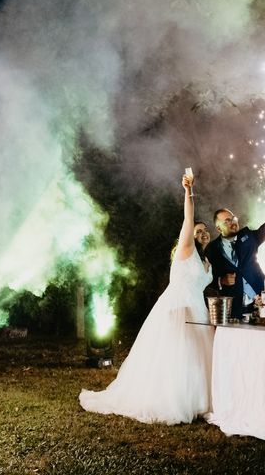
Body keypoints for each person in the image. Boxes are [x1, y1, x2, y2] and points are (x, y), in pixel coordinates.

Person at [79, 171, 214, 424]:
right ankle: (175, 401)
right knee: (178, 355)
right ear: (188, 235)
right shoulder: (186, 250)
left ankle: (198, 401)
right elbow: (188, 217)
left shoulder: (207, 260)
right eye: (198, 230)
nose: (202, 232)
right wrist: (189, 192)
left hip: (199, 310)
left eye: (205, 230)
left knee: (198, 357)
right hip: (178, 307)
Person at [204, 184, 265, 320]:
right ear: (218, 228)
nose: (233, 222)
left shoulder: (249, 237)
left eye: (233, 218)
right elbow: (206, 280)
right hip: (234, 308)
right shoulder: (211, 249)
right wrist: (220, 281)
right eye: (227, 221)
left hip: (263, 302)